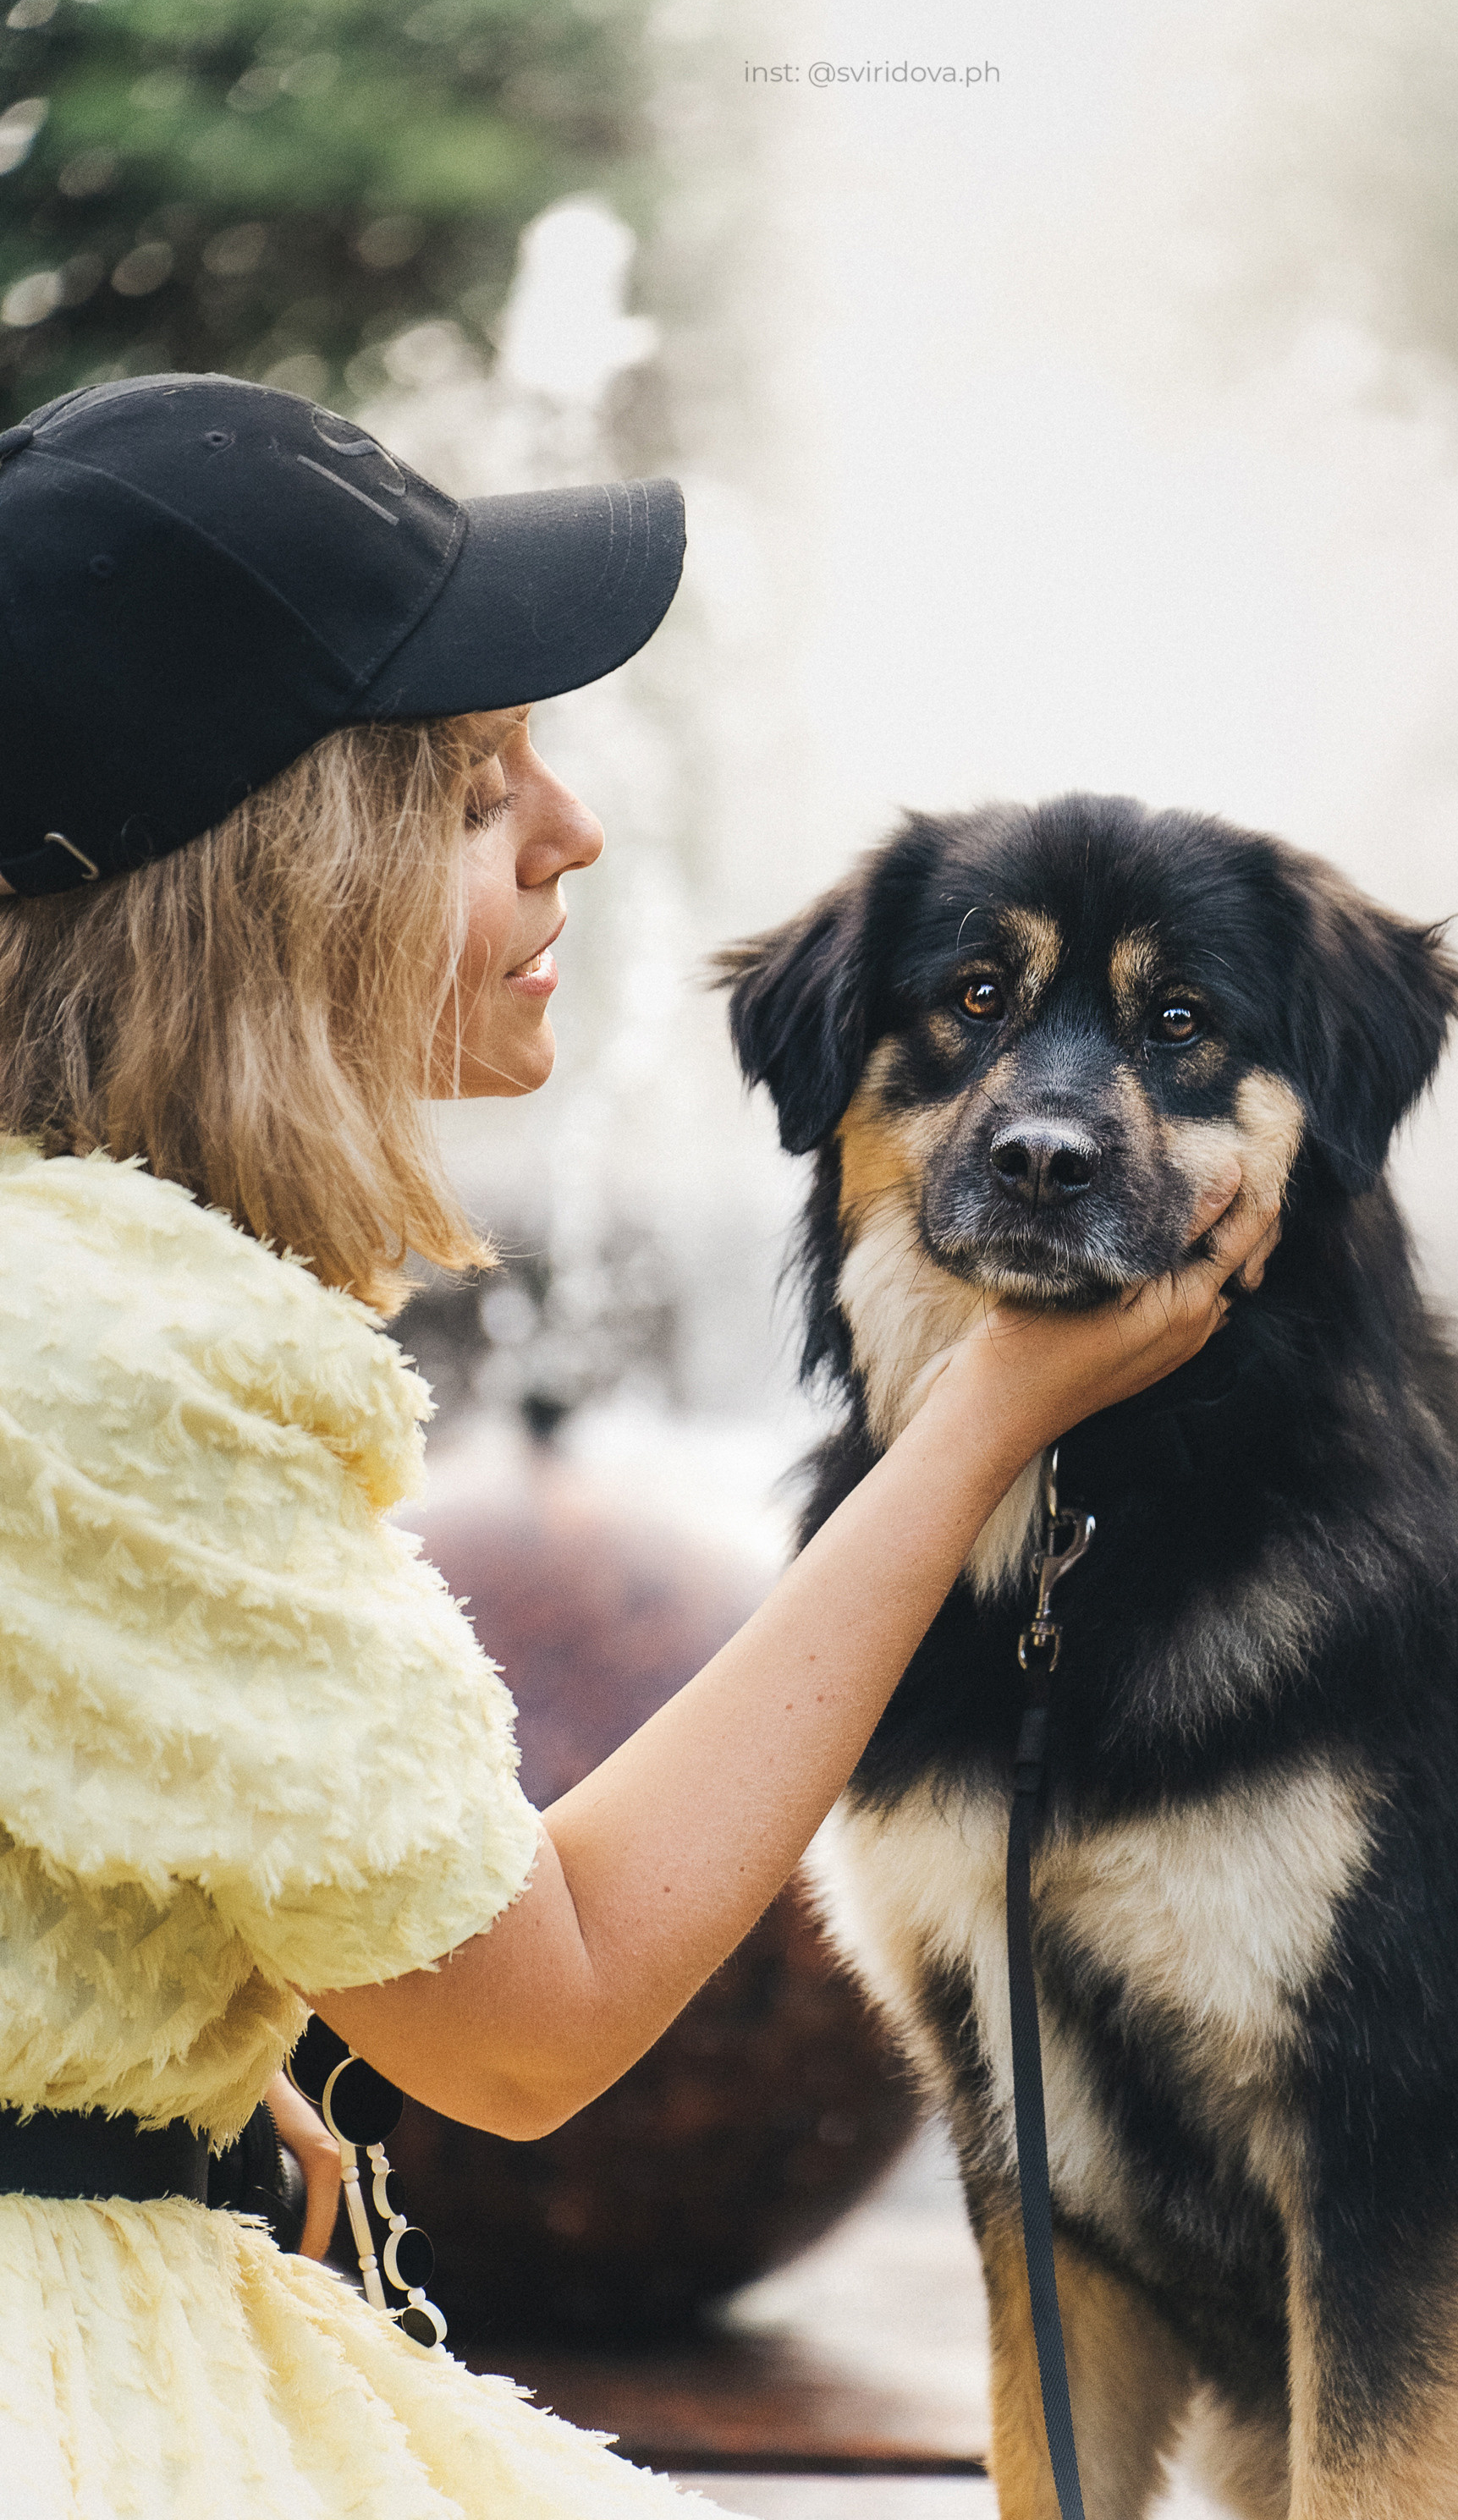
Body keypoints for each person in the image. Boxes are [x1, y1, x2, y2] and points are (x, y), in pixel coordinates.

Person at [0, 374, 1278, 2518]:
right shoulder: (126, 1347)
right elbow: (535, 2020)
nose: (574, 826)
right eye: (473, 789)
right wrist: (980, 1426)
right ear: (271, 869)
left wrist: (134, 2067)